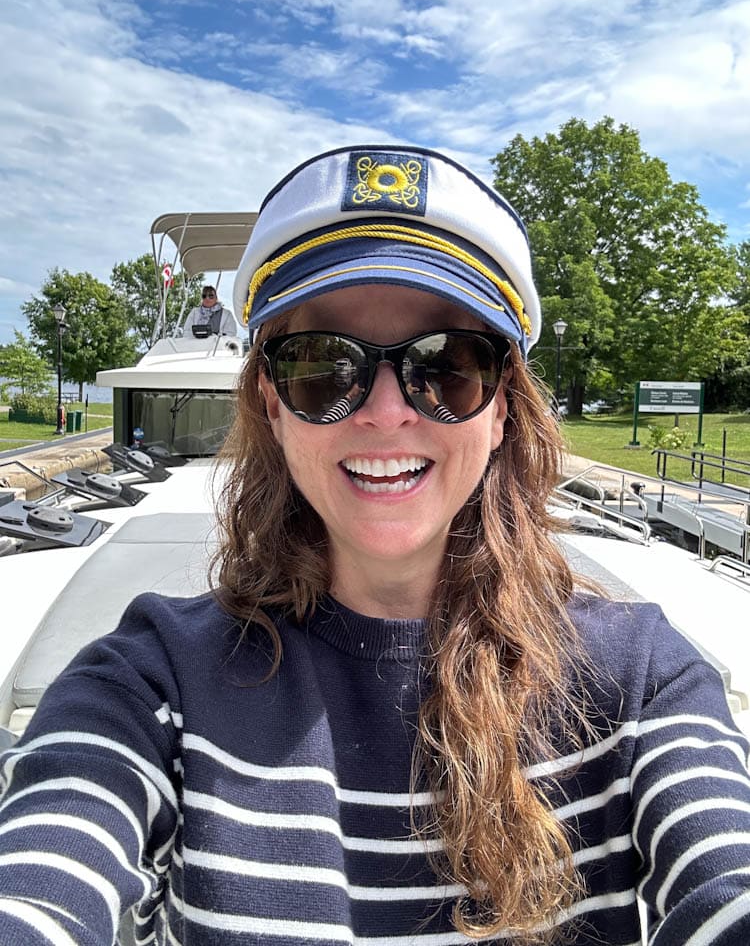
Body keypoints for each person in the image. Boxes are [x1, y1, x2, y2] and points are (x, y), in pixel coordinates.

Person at [0, 145, 749, 946]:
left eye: (447, 365)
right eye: (324, 367)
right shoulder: (150, 683)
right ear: (271, 404)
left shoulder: (643, 683)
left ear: (501, 408)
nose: (387, 414)